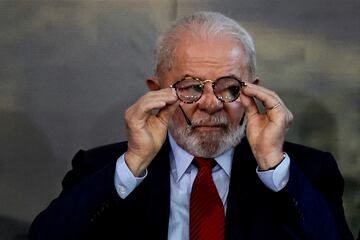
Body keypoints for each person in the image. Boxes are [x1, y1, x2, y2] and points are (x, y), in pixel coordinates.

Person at [28, 11, 354, 240]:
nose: (210, 104)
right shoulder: (99, 168)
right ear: (157, 92)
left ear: (252, 91)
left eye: (229, 87)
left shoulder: (307, 172)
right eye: (191, 87)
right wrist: (133, 164)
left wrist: (273, 164)